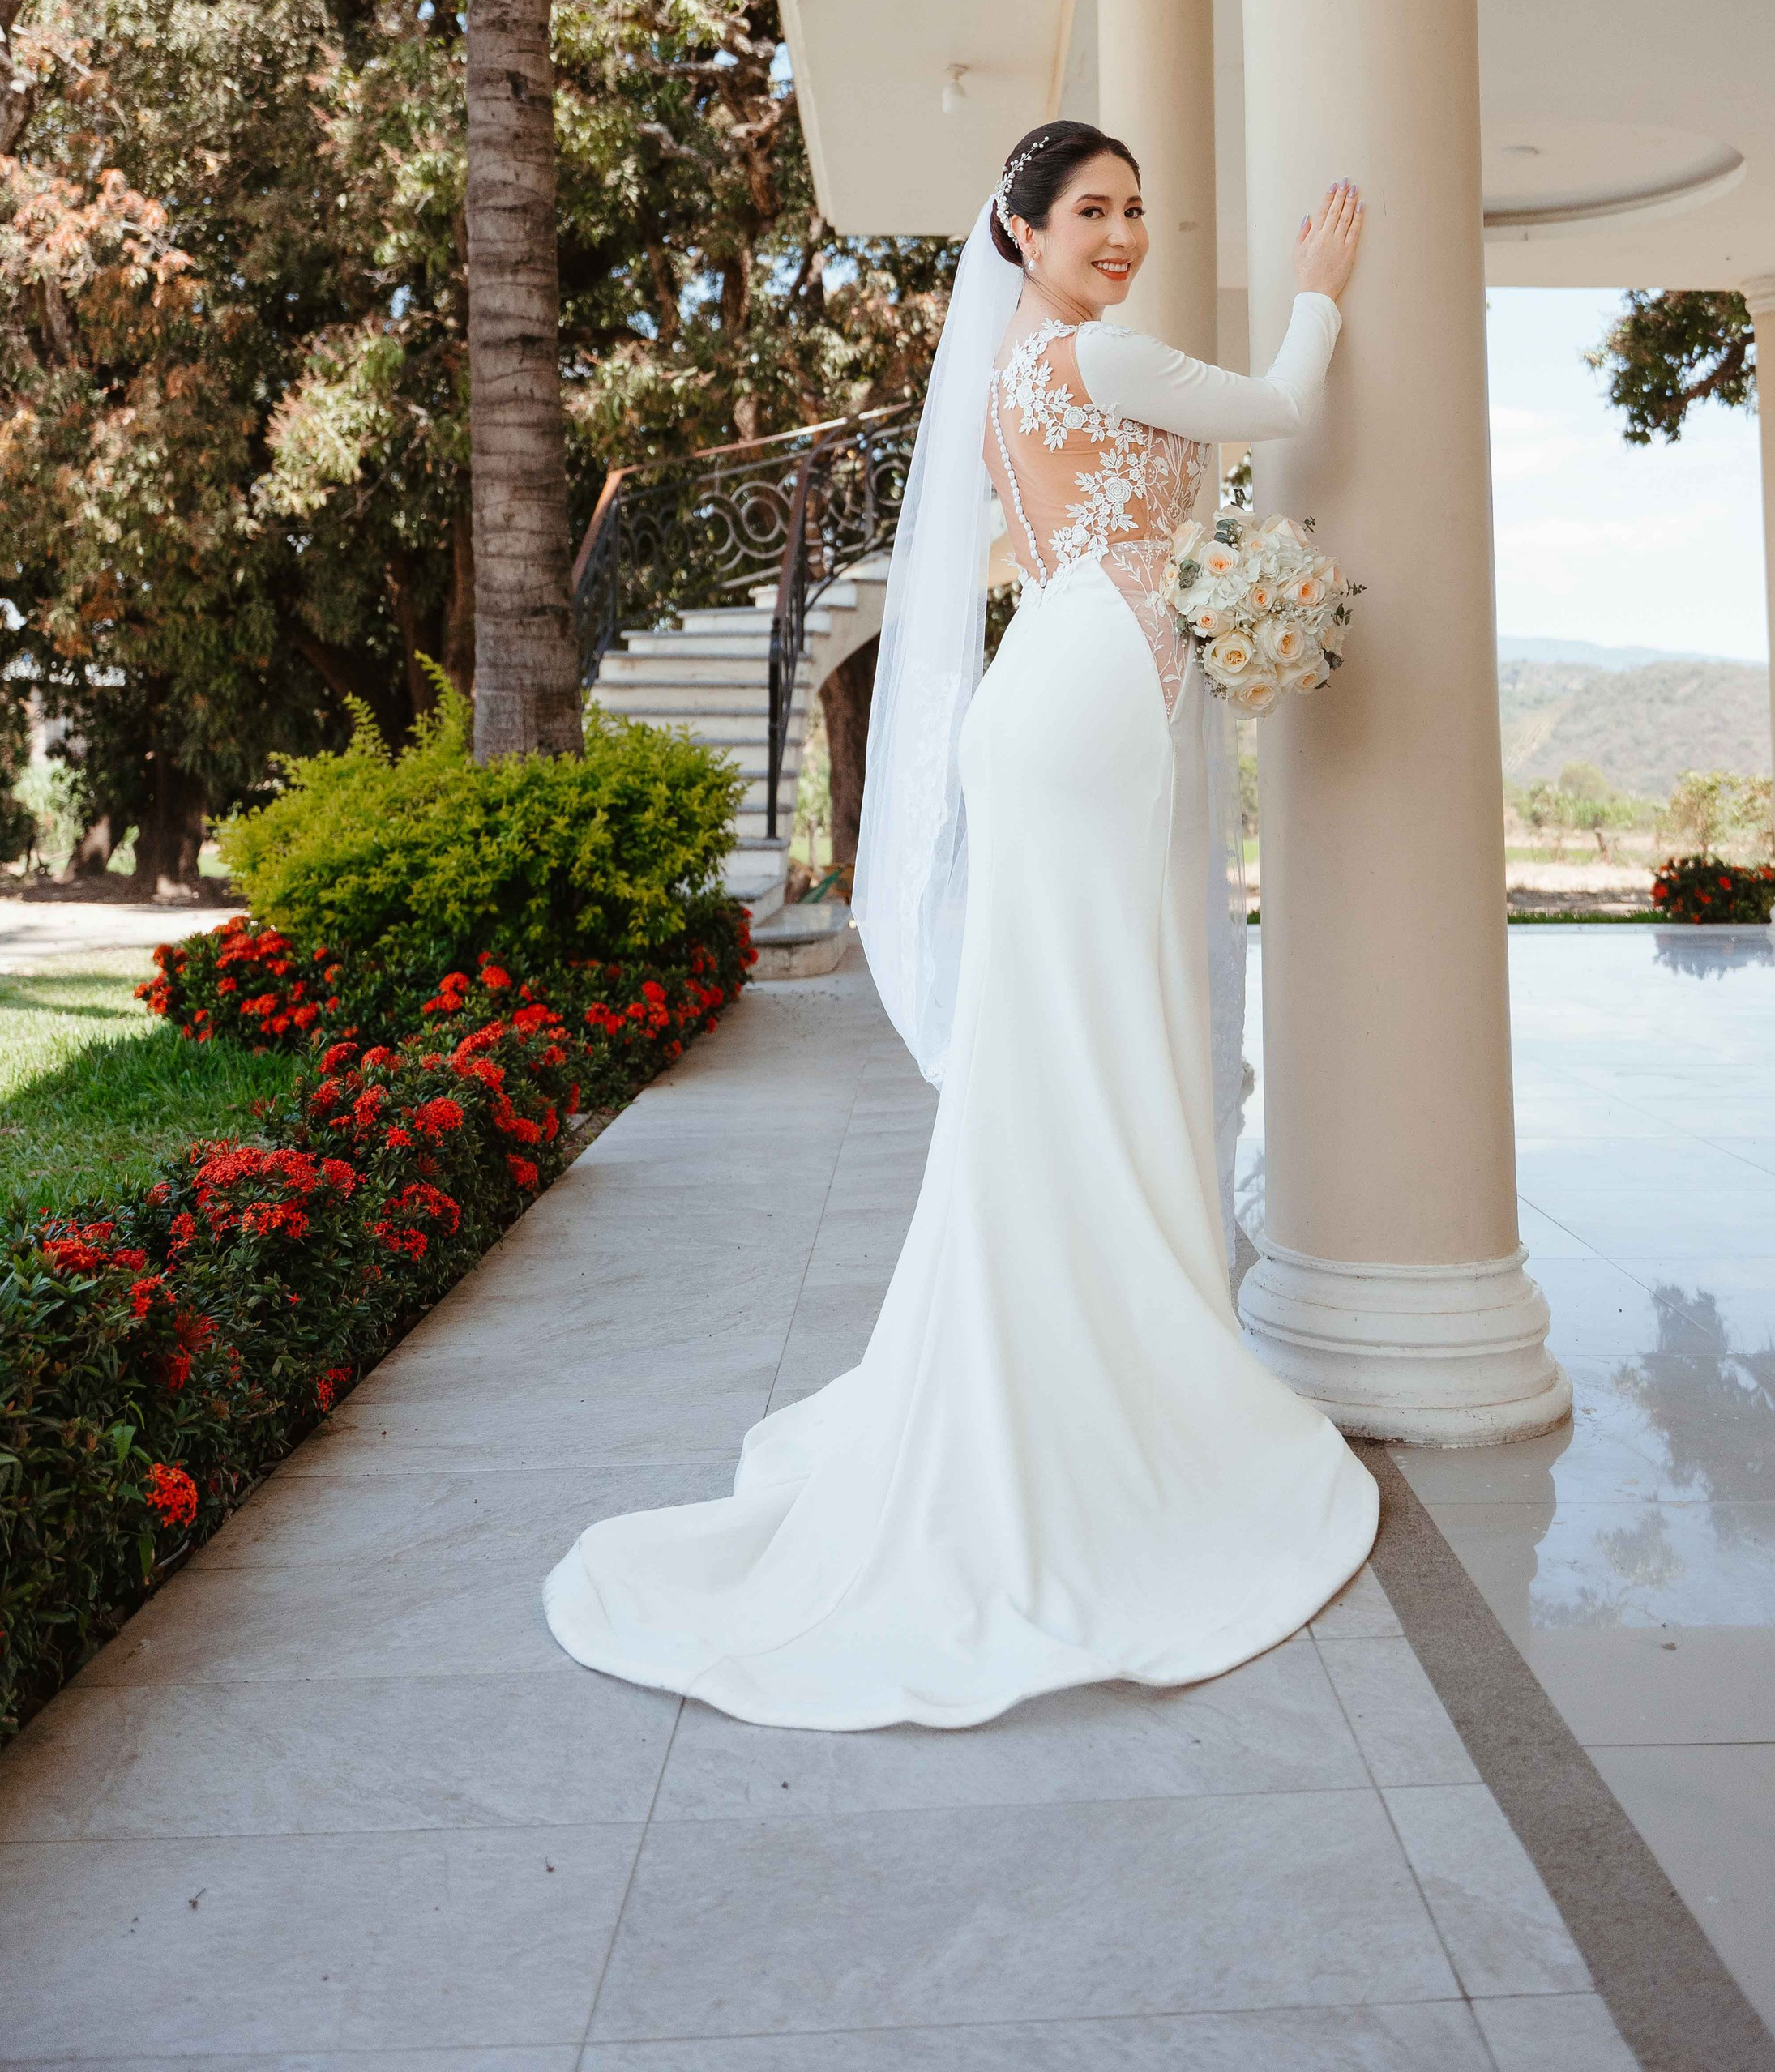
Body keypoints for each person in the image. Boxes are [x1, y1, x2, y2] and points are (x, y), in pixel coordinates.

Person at [543, 121, 1378, 1728]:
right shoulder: (1099, 355)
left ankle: (1079, 1354)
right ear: (1018, 230)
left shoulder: (1016, 377)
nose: (1120, 233)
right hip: (1076, 715)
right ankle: (1095, 1385)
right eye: (1089, 210)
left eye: (1133, 210)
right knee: (1088, 1040)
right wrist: (1319, 290)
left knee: (1066, 1049)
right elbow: (1274, 408)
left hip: (1067, 691)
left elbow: (1147, 517)